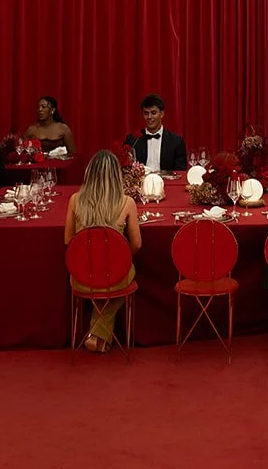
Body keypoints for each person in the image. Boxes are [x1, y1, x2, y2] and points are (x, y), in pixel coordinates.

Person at [64, 149, 141, 354]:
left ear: (89, 174)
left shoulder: (75, 200)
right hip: (115, 276)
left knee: (114, 280)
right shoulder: (127, 203)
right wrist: (121, 260)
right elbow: (137, 244)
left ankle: (96, 333)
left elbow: (68, 241)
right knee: (127, 277)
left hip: (82, 276)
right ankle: (98, 334)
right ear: (117, 175)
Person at [127, 94, 187, 173]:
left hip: (166, 180)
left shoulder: (176, 141)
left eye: (153, 113)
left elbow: (180, 172)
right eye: (146, 113)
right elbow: (126, 168)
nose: (149, 117)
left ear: (161, 114)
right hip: (141, 180)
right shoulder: (133, 140)